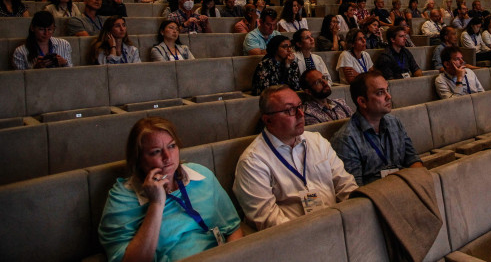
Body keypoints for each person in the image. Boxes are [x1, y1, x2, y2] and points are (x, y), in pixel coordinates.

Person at [99, 117, 242, 261]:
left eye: (172, 146)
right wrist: (156, 204)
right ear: (138, 159)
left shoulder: (201, 175)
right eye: (156, 152)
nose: (167, 157)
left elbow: (233, 229)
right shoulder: (122, 197)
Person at [233, 85, 357, 230]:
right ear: (268, 120)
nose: (300, 114)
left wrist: (355, 212)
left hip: (338, 224)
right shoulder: (253, 162)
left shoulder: (317, 141)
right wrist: (314, 233)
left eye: (299, 106)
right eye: (289, 110)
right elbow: (268, 220)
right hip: (295, 238)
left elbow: (344, 184)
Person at [330, 71, 423, 186]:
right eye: (380, 93)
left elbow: (413, 159)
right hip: (375, 198)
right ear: (362, 102)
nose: (389, 97)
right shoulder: (346, 139)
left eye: (387, 90)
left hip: (404, 188)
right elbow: (355, 190)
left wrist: (417, 182)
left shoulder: (394, 122)